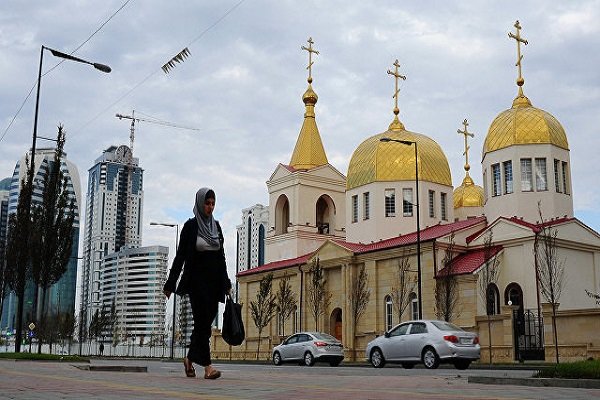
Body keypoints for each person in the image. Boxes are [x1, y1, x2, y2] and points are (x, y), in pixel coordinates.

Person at [164, 188, 232, 380]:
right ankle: (208, 367)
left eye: (212, 204)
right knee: (202, 323)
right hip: (196, 283)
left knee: (203, 325)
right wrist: (170, 284)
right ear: (200, 203)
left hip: (214, 284)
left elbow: (221, 258)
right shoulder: (191, 227)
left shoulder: (216, 227)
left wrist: (226, 283)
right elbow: (180, 257)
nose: (210, 207)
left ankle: (189, 359)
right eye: (207, 203)